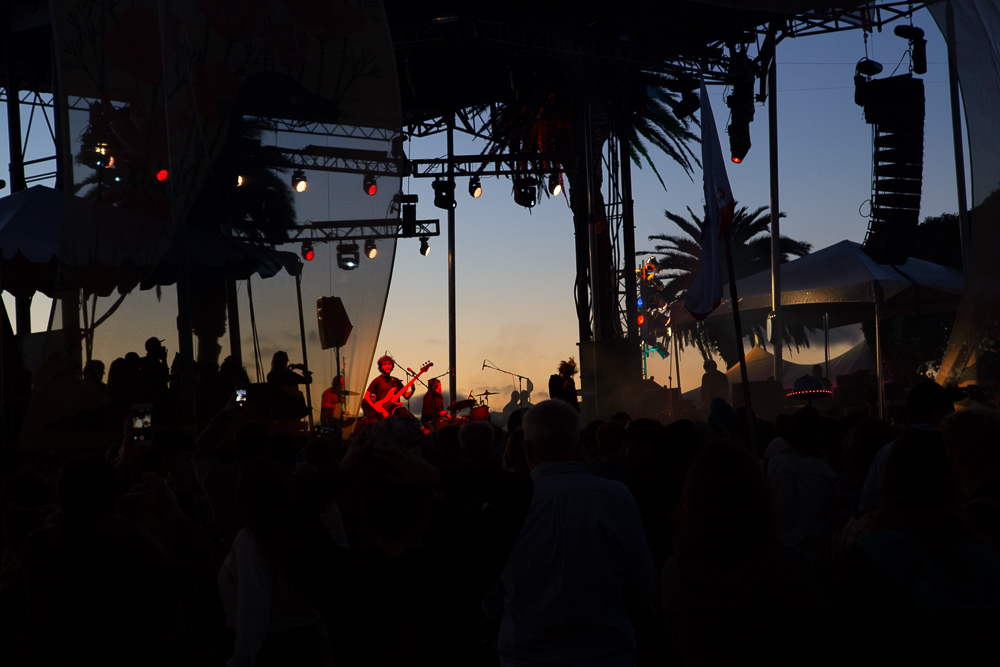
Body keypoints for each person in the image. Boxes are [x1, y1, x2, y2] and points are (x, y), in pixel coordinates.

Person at [496, 399, 656, 666]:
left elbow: (491, 600)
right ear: (581, 445)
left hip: (525, 656)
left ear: (526, 449)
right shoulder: (615, 497)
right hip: (607, 655)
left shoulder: (504, 506)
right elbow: (642, 586)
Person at [363, 355, 414, 422]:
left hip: (396, 414)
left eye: (389, 364)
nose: (387, 366)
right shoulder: (377, 380)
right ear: (380, 367)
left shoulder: (396, 381)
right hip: (382, 414)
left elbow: (406, 396)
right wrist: (376, 409)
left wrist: (413, 390)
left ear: (392, 366)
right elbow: (366, 396)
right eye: (384, 364)